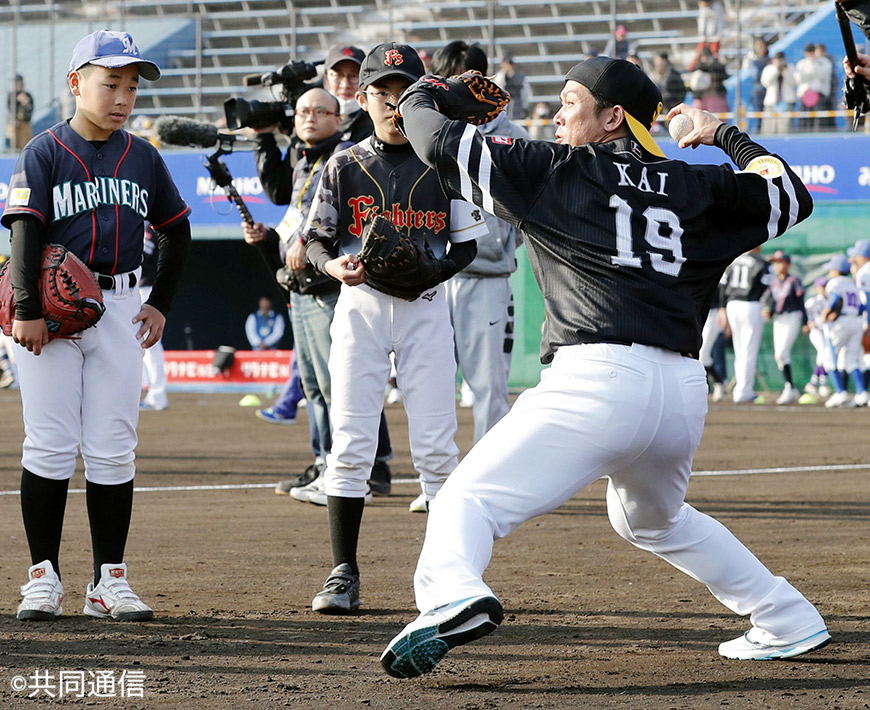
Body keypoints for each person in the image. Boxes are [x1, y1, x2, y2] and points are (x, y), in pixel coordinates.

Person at [380, 56, 827, 677]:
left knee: (467, 499)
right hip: (679, 392)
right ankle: (787, 617)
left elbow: (423, 129)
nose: (559, 114)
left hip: (595, 380)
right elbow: (789, 193)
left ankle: (452, 592)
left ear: (613, 116)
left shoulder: (551, 169)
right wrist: (721, 133)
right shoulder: (699, 187)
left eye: (571, 101)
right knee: (651, 520)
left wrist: (440, 88)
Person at [2, 29, 191, 621]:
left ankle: (108, 580)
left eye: (131, 86)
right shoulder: (45, 151)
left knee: (113, 450)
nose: (123, 96)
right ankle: (43, 578)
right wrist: (28, 309)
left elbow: (176, 231)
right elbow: (25, 231)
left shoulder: (143, 156)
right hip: (50, 320)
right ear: (76, 82)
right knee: (51, 445)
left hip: (120, 307)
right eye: (111, 82)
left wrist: (160, 301)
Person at [303, 42, 486, 613]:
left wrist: (434, 267)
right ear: (363, 97)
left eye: (402, 92)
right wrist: (333, 265)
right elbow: (315, 242)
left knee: (436, 448)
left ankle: (448, 577)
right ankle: (342, 571)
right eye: (380, 92)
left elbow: (467, 244)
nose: (391, 103)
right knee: (351, 443)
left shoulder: (444, 163)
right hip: (360, 308)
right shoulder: (344, 164)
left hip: (427, 307)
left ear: (419, 97)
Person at [242, 87, 394, 497]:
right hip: (304, 284)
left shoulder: (348, 157)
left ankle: (366, 469)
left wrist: (307, 239)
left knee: (341, 381)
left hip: (332, 283)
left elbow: (348, 217)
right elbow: (295, 218)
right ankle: (328, 463)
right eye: (302, 111)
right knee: (313, 383)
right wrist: (270, 237)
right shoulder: (302, 160)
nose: (309, 117)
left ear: (338, 118)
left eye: (319, 111)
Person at [432, 40, 529, 445]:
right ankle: (436, 480)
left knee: (488, 387)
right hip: (433, 277)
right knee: (430, 385)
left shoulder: (513, 136)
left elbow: (532, 209)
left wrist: (501, 243)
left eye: (467, 78)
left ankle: (485, 484)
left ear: (483, 80)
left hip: (486, 276)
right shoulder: (428, 131)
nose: (458, 87)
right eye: (448, 80)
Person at [254, 45, 371, 205]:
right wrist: (264, 137)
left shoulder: (374, 124)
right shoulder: (307, 123)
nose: (345, 84)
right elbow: (281, 192)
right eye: (337, 75)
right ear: (325, 79)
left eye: (353, 76)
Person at [720, 247, 770, 404]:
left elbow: (722, 286)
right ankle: (744, 390)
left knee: (740, 349)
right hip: (750, 305)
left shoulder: (733, 259)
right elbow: (766, 286)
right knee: (749, 350)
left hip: (732, 305)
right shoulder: (761, 262)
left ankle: (740, 390)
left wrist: (722, 308)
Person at [821, 255, 868, 407]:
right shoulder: (852, 283)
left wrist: (826, 312)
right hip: (855, 321)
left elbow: (834, 298)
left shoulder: (835, 282)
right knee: (851, 360)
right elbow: (861, 306)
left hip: (840, 323)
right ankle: (862, 393)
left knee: (829, 358)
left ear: (836, 270)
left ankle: (840, 392)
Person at [761, 250, 805, 405]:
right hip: (778, 319)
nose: (778, 265)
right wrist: (768, 310)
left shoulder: (794, 280)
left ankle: (789, 387)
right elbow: (771, 301)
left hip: (792, 317)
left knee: (782, 353)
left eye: (780, 262)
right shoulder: (773, 282)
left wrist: (805, 322)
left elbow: (801, 302)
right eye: (775, 262)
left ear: (787, 264)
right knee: (779, 356)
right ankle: (791, 388)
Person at [139, 225, 169, 410]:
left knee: (151, 343)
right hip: (134, 291)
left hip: (145, 291)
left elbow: (142, 253)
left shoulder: (147, 227)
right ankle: (146, 390)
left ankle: (158, 395)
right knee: (136, 343)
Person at [803, 277, 831, 398]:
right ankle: (823, 384)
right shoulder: (811, 301)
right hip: (816, 331)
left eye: (825, 286)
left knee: (823, 356)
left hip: (827, 332)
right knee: (824, 354)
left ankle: (813, 383)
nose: (823, 288)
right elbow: (804, 315)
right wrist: (807, 323)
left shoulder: (830, 300)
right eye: (821, 286)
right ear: (816, 287)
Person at [847, 239, 870, 389]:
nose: (854, 259)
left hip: (867, 318)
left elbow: (868, 298)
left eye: (857, 255)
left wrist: (868, 322)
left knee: (865, 357)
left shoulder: (865, 272)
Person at [760, 52, 797, 135]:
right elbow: (765, 82)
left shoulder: (790, 68)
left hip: (786, 102)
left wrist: (785, 71)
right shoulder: (769, 69)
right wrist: (777, 70)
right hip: (772, 102)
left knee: (785, 128)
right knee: (769, 128)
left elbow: (795, 82)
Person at [793, 43, 827, 131]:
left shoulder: (823, 62)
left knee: (818, 120)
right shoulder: (801, 64)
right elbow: (799, 79)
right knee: (804, 120)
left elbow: (823, 76)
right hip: (804, 95)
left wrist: (813, 65)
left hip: (819, 95)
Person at [689, 46, 729, 115]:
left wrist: (712, 63)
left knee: (716, 118)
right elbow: (692, 68)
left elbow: (724, 75)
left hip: (715, 96)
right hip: (701, 97)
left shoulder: (717, 66)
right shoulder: (698, 66)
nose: (705, 59)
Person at [742, 38, 771, 133]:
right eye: (758, 46)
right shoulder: (752, 61)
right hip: (757, 92)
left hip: (769, 92)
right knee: (756, 115)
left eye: (762, 46)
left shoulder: (770, 60)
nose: (761, 48)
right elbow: (755, 75)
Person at [494, 55, 530, 119]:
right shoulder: (500, 76)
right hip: (504, 106)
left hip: (517, 106)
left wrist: (525, 106)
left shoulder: (520, 77)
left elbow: (525, 93)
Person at [6, 74, 34, 151]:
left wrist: (26, 102)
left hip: (24, 122)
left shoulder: (27, 94)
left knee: (25, 143)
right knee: (13, 142)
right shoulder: (11, 95)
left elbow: (31, 108)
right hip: (14, 122)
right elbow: (10, 108)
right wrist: (18, 100)